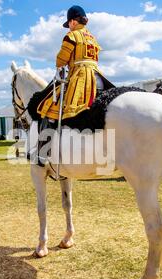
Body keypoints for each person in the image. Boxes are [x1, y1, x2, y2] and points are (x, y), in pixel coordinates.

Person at [36, 5, 111, 165]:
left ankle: (43, 152)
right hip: (97, 77)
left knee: (48, 106)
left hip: (80, 78)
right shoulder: (92, 39)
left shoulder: (71, 36)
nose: (68, 26)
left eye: (68, 23)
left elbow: (60, 60)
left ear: (72, 22)